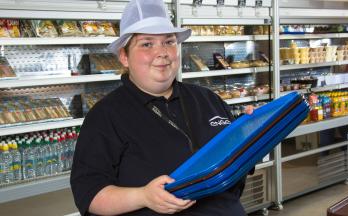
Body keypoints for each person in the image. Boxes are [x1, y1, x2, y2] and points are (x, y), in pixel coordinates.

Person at [70, 0, 253, 215]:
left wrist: (249, 134)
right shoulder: (105, 117)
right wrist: (143, 196)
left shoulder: (207, 99)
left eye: (169, 41)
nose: (162, 52)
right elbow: (89, 194)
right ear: (124, 56)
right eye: (147, 44)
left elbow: (233, 168)